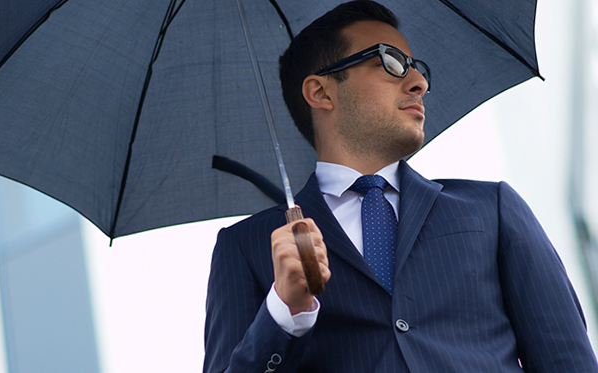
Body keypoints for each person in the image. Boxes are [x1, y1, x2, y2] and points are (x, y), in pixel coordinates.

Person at [203, 1, 598, 372]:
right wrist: (283, 310)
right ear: (321, 92)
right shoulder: (247, 246)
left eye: (415, 66)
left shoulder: (491, 209)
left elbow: (568, 361)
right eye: (391, 62)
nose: (419, 82)